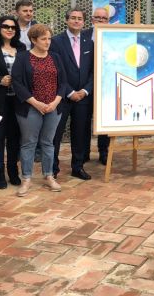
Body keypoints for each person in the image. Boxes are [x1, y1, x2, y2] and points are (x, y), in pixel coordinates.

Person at [12, 24, 67, 196]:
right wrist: (36, 103)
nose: (48, 42)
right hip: (30, 107)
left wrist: (56, 102)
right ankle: (26, 178)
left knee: (48, 142)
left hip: (53, 107)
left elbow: (63, 82)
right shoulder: (23, 57)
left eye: (49, 38)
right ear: (33, 40)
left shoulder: (56, 57)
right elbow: (17, 83)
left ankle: (49, 176)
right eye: (44, 39)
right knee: (29, 143)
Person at [50, 9, 94, 181]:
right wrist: (69, 91)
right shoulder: (56, 42)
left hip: (83, 97)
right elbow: (54, 70)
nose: (76, 21)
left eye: (80, 19)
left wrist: (85, 90)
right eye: (73, 18)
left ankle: (78, 166)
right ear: (66, 20)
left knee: (80, 133)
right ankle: (52, 168)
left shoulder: (89, 43)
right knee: (56, 133)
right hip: (62, 96)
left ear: (84, 22)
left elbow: (93, 70)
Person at [0, 15, 26, 189]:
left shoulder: (21, 48)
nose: (10, 30)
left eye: (13, 27)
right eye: (6, 26)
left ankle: (13, 171)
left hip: (18, 100)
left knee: (15, 137)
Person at [84, 6, 110, 164]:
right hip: (85, 84)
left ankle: (104, 152)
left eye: (104, 18)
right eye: (97, 17)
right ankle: (84, 152)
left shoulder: (113, 36)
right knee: (84, 119)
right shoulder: (83, 35)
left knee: (104, 120)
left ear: (108, 20)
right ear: (92, 19)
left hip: (106, 85)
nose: (100, 20)